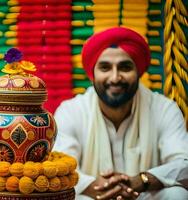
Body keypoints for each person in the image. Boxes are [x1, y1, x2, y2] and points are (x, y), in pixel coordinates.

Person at [53, 27, 188, 200]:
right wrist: (99, 188)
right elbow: (60, 168)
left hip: (142, 194)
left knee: (177, 195)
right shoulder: (71, 111)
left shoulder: (164, 109)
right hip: (94, 196)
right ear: (92, 74)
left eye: (124, 67)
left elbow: (184, 164)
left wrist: (141, 181)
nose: (115, 77)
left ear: (138, 71)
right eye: (105, 68)